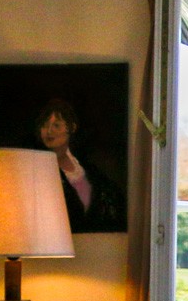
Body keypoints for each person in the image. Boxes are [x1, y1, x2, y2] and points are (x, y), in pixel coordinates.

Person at [34, 98, 124, 232]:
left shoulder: (87, 167)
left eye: (56, 125)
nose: (49, 131)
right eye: (45, 125)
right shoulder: (38, 170)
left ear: (72, 128)